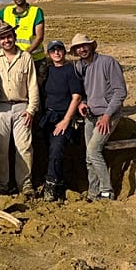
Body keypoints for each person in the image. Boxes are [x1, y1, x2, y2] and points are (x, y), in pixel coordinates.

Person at [0, 20, 40, 197]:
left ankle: (25, 185)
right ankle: (2, 184)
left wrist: (31, 110)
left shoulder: (26, 58)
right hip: (0, 108)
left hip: (21, 106)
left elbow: (32, 85)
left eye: (9, 36)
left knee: (24, 148)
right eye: (2, 38)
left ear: (14, 37)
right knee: (0, 149)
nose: (6, 40)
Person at [71, 33, 127, 201]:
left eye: (84, 45)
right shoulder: (79, 67)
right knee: (89, 157)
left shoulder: (108, 62)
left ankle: (106, 191)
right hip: (90, 115)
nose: (82, 49)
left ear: (91, 46)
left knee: (94, 150)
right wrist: (83, 103)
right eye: (78, 47)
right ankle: (93, 192)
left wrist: (107, 116)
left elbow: (120, 92)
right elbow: (85, 92)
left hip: (107, 114)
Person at [38, 40, 84, 202]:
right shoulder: (47, 71)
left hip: (64, 117)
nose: (56, 53)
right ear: (49, 54)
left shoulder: (70, 70)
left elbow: (76, 97)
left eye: (59, 50)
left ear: (64, 52)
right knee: (49, 152)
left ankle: (50, 186)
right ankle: (59, 182)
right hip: (48, 118)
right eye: (53, 51)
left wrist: (66, 120)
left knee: (57, 150)